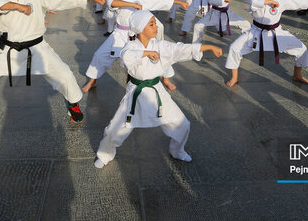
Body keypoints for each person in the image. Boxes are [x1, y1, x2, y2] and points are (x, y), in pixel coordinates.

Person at [93, 10, 222, 168]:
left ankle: (177, 151)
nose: (156, 27)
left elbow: (180, 49)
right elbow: (126, 57)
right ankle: (105, 155)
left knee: (182, 124)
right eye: (151, 24)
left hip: (157, 91)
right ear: (140, 28)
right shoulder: (130, 46)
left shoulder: (161, 45)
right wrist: (147, 52)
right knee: (114, 129)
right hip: (136, 93)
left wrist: (207, 47)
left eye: (155, 23)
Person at [82, 0, 187, 93]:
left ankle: (166, 79)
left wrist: (178, 2)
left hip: (140, 35)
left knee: (158, 53)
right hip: (120, 34)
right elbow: (112, 3)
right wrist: (132, 4)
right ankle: (92, 81)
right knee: (100, 55)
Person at [225, 0, 308, 87]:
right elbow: (255, 1)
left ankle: (297, 75)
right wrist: (269, 1)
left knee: (301, 48)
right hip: (256, 32)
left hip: (276, 33)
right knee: (234, 48)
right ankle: (234, 78)